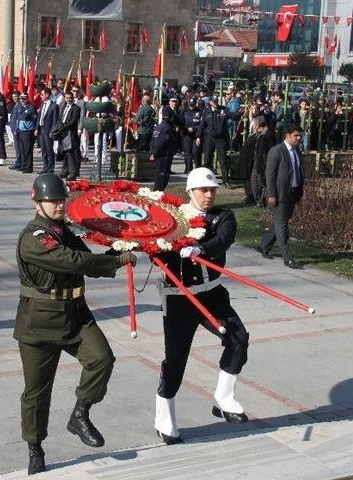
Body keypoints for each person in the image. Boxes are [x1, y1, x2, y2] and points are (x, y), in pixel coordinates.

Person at [14, 173, 136, 475]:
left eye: (61, 200)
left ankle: (80, 414)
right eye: (52, 200)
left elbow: (85, 259)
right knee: (37, 392)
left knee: (102, 359)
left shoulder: (64, 231)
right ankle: (35, 447)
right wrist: (116, 262)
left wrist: (118, 250)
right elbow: (72, 262)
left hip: (75, 314)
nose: (58, 205)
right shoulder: (34, 237)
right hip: (38, 324)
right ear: (36, 200)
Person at [154, 167, 250, 445]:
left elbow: (223, 239)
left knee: (238, 338)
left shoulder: (223, 217)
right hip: (179, 299)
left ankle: (223, 397)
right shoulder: (172, 218)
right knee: (176, 360)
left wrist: (201, 248)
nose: (208, 195)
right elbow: (154, 242)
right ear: (190, 191)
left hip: (211, 294)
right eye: (203, 190)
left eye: (212, 190)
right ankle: (164, 417)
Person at [257, 124, 305, 269]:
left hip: (293, 193)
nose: (298, 138)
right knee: (282, 226)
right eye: (296, 135)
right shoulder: (276, 151)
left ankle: (263, 246)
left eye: (300, 136)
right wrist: (271, 194)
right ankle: (287, 258)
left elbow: (298, 171)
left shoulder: (297, 151)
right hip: (279, 195)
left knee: (280, 223)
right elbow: (270, 174)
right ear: (288, 135)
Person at [53, 91, 82, 180]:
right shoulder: (63, 107)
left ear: (73, 98)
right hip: (63, 133)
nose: (68, 100)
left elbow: (73, 121)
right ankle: (64, 171)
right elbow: (60, 118)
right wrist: (58, 128)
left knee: (70, 153)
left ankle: (72, 173)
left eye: (70, 98)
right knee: (64, 152)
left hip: (70, 133)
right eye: (67, 98)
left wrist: (64, 126)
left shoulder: (76, 108)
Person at [202, 96, 230, 186]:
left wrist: (240, 113)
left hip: (221, 138)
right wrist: (199, 136)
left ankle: (226, 181)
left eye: (216, 101)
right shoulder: (206, 112)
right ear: (210, 102)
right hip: (210, 137)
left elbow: (233, 115)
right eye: (213, 101)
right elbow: (202, 125)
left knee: (223, 160)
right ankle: (207, 180)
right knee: (207, 158)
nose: (215, 103)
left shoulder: (223, 110)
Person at [240, 116, 268, 205]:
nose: (253, 126)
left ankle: (259, 200)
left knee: (259, 182)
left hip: (259, 163)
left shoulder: (265, 136)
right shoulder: (256, 135)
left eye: (254, 124)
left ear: (257, 125)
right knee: (253, 181)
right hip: (252, 162)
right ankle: (255, 198)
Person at [12, 93, 38, 173]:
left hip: (28, 131)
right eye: (21, 99)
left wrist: (35, 129)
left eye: (24, 99)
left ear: (27, 99)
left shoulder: (31, 107)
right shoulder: (19, 107)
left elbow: (29, 117)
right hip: (20, 130)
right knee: (22, 149)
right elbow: (18, 119)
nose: (22, 100)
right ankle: (23, 165)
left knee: (27, 150)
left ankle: (28, 167)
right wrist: (16, 130)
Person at [36, 87, 59, 174]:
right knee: (44, 150)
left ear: (47, 95)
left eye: (42, 94)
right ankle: (45, 167)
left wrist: (52, 131)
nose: (41, 96)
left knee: (49, 150)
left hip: (48, 130)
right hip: (42, 130)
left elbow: (55, 120)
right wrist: (37, 128)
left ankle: (50, 168)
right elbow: (40, 117)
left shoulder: (54, 106)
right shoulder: (43, 104)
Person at [182, 98, 204, 172]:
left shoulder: (200, 112)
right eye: (190, 105)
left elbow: (201, 125)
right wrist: (186, 128)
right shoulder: (184, 112)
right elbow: (182, 123)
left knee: (195, 151)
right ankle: (189, 170)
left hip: (196, 135)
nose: (191, 106)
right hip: (187, 135)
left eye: (193, 105)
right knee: (187, 152)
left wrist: (196, 133)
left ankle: (198, 169)